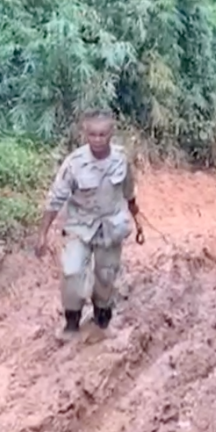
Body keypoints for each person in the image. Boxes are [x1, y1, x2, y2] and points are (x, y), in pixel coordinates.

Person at [35, 109, 143, 334]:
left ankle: (102, 317)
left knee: (106, 275)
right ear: (85, 133)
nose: (97, 139)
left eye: (102, 134)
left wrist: (138, 220)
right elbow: (56, 198)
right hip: (79, 226)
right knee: (71, 271)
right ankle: (71, 322)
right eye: (92, 134)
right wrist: (42, 233)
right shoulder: (74, 163)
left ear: (111, 133)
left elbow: (129, 192)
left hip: (110, 226)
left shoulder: (121, 160)